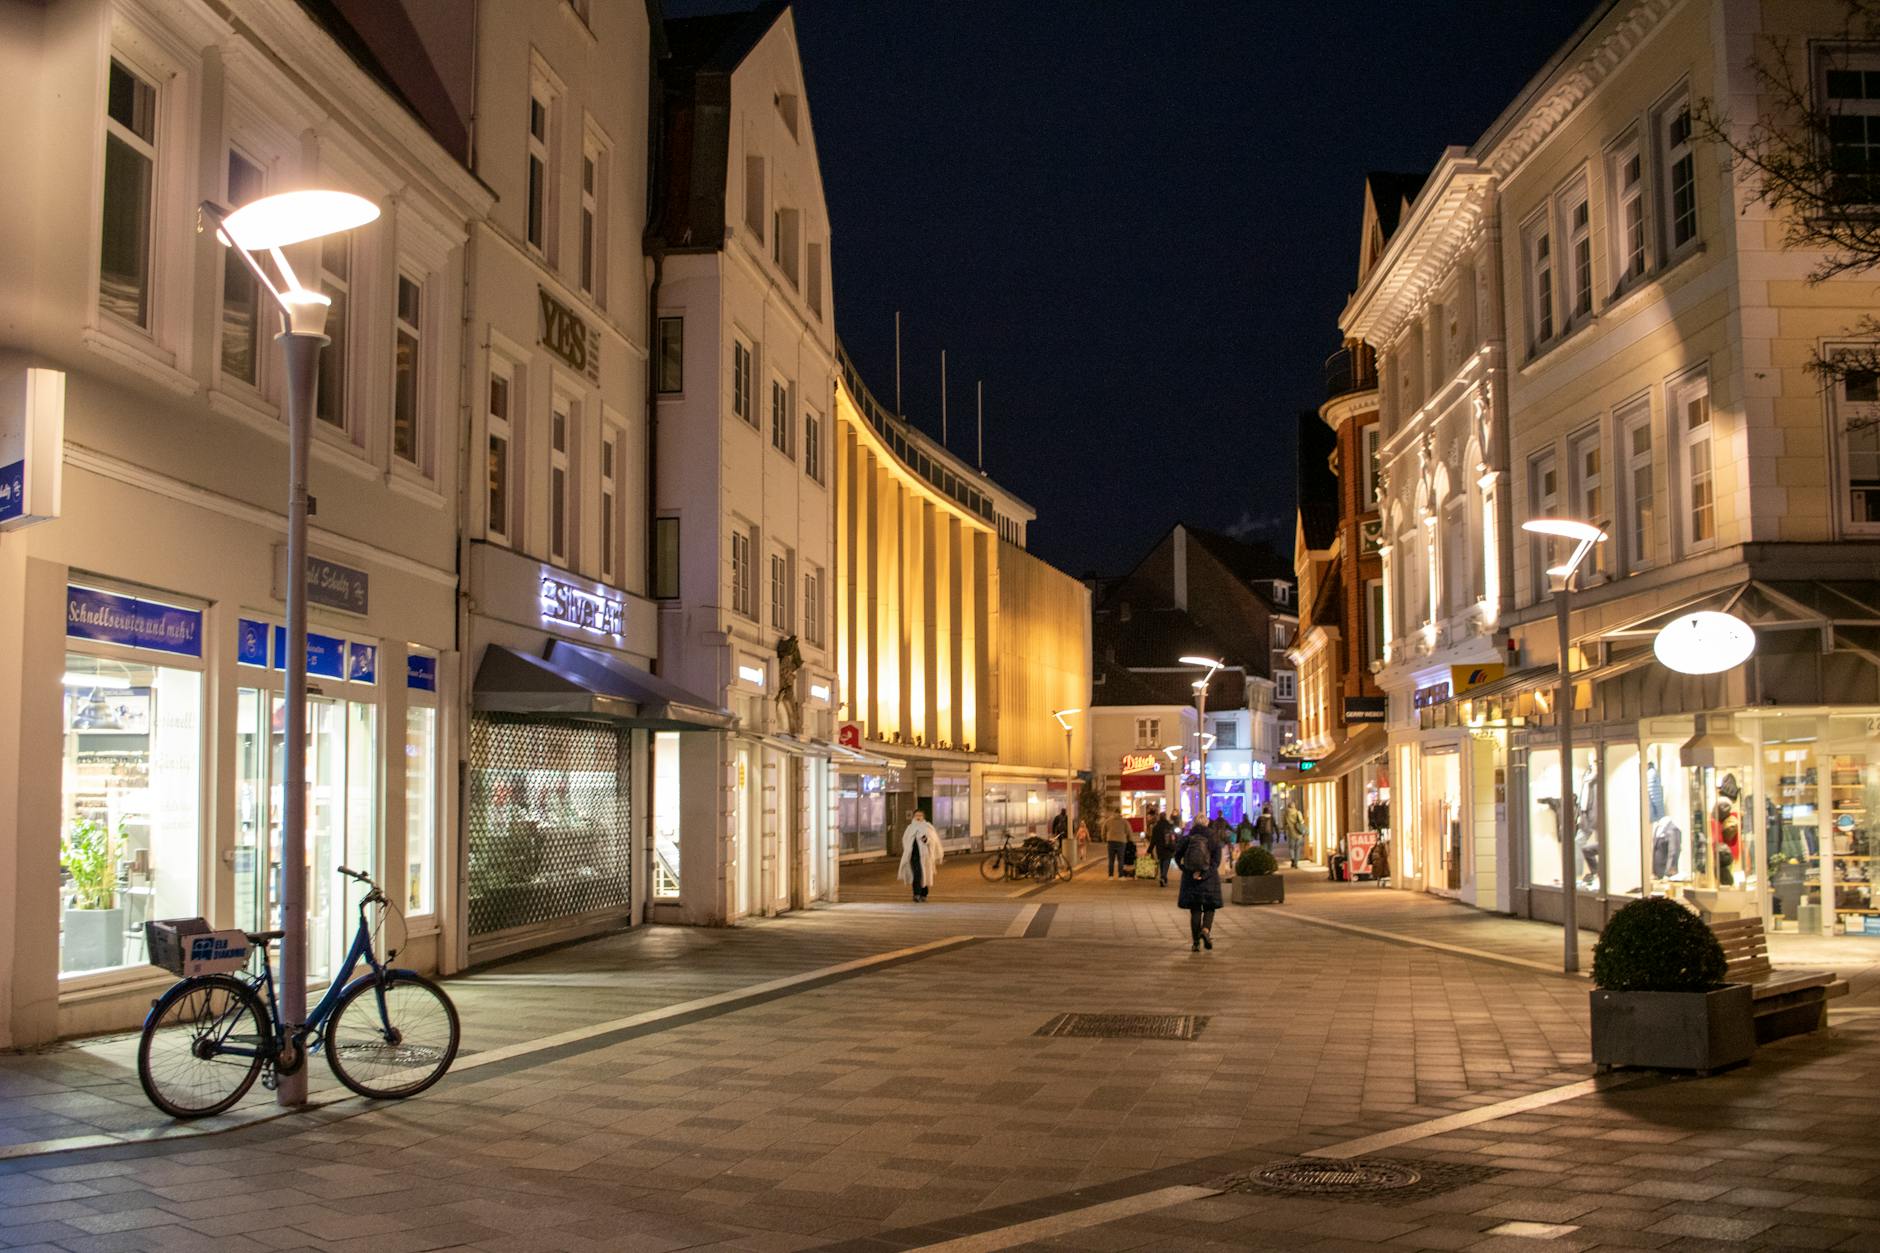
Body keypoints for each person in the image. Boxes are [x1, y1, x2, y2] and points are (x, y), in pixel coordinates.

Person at [1171, 820, 1224, 952]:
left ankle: (1195, 943)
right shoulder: (1213, 839)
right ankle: (1205, 930)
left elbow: (1177, 855)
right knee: (1209, 908)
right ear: (1207, 824)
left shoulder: (1187, 839)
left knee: (1195, 910)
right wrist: (1205, 875)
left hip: (1191, 878)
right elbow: (1216, 861)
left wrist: (1185, 869)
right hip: (1209, 880)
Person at [896, 809, 944, 902]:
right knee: (917, 874)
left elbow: (933, 841)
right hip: (913, 855)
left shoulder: (928, 827)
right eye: (916, 815)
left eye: (920, 815)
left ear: (923, 817)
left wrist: (926, 840)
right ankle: (916, 894)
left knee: (924, 874)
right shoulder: (910, 828)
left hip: (925, 856)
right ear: (914, 817)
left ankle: (923, 893)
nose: (918, 817)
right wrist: (907, 850)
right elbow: (905, 840)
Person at [1101, 805, 1132, 878]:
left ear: (1113, 813)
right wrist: (1130, 839)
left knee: (1111, 860)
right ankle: (1120, 875)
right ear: (1120, 813)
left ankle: (1110, 876)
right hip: (1121, 841)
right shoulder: (1124, 821)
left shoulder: (1108, 821)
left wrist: (1104, 838)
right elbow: (1128, 831)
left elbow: (1103, 830)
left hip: (1111, 841)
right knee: (1121, 859)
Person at [1147, 809, 1175, 887]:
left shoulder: (1156, 827)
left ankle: (1163, 876)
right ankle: (1163, 876)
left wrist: (1149, 850)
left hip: (1160, 848)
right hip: (1168, 848)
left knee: (1161, 862)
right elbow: (1173, 837)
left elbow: (1153, 840)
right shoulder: (1169, 826)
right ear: (1165, 817)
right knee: (1166, 862)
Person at [1282, 803, 1307, 869]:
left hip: (1290, 833)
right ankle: (1296, 863)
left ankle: (1292, 858)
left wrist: (1284, 832)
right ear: (1294, 806)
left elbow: (1284, 824)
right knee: (1298, 848)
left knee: (1291, 848)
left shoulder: (1286, 814)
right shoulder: (1298, 812)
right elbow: (1301, 821)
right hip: (1298, 833)